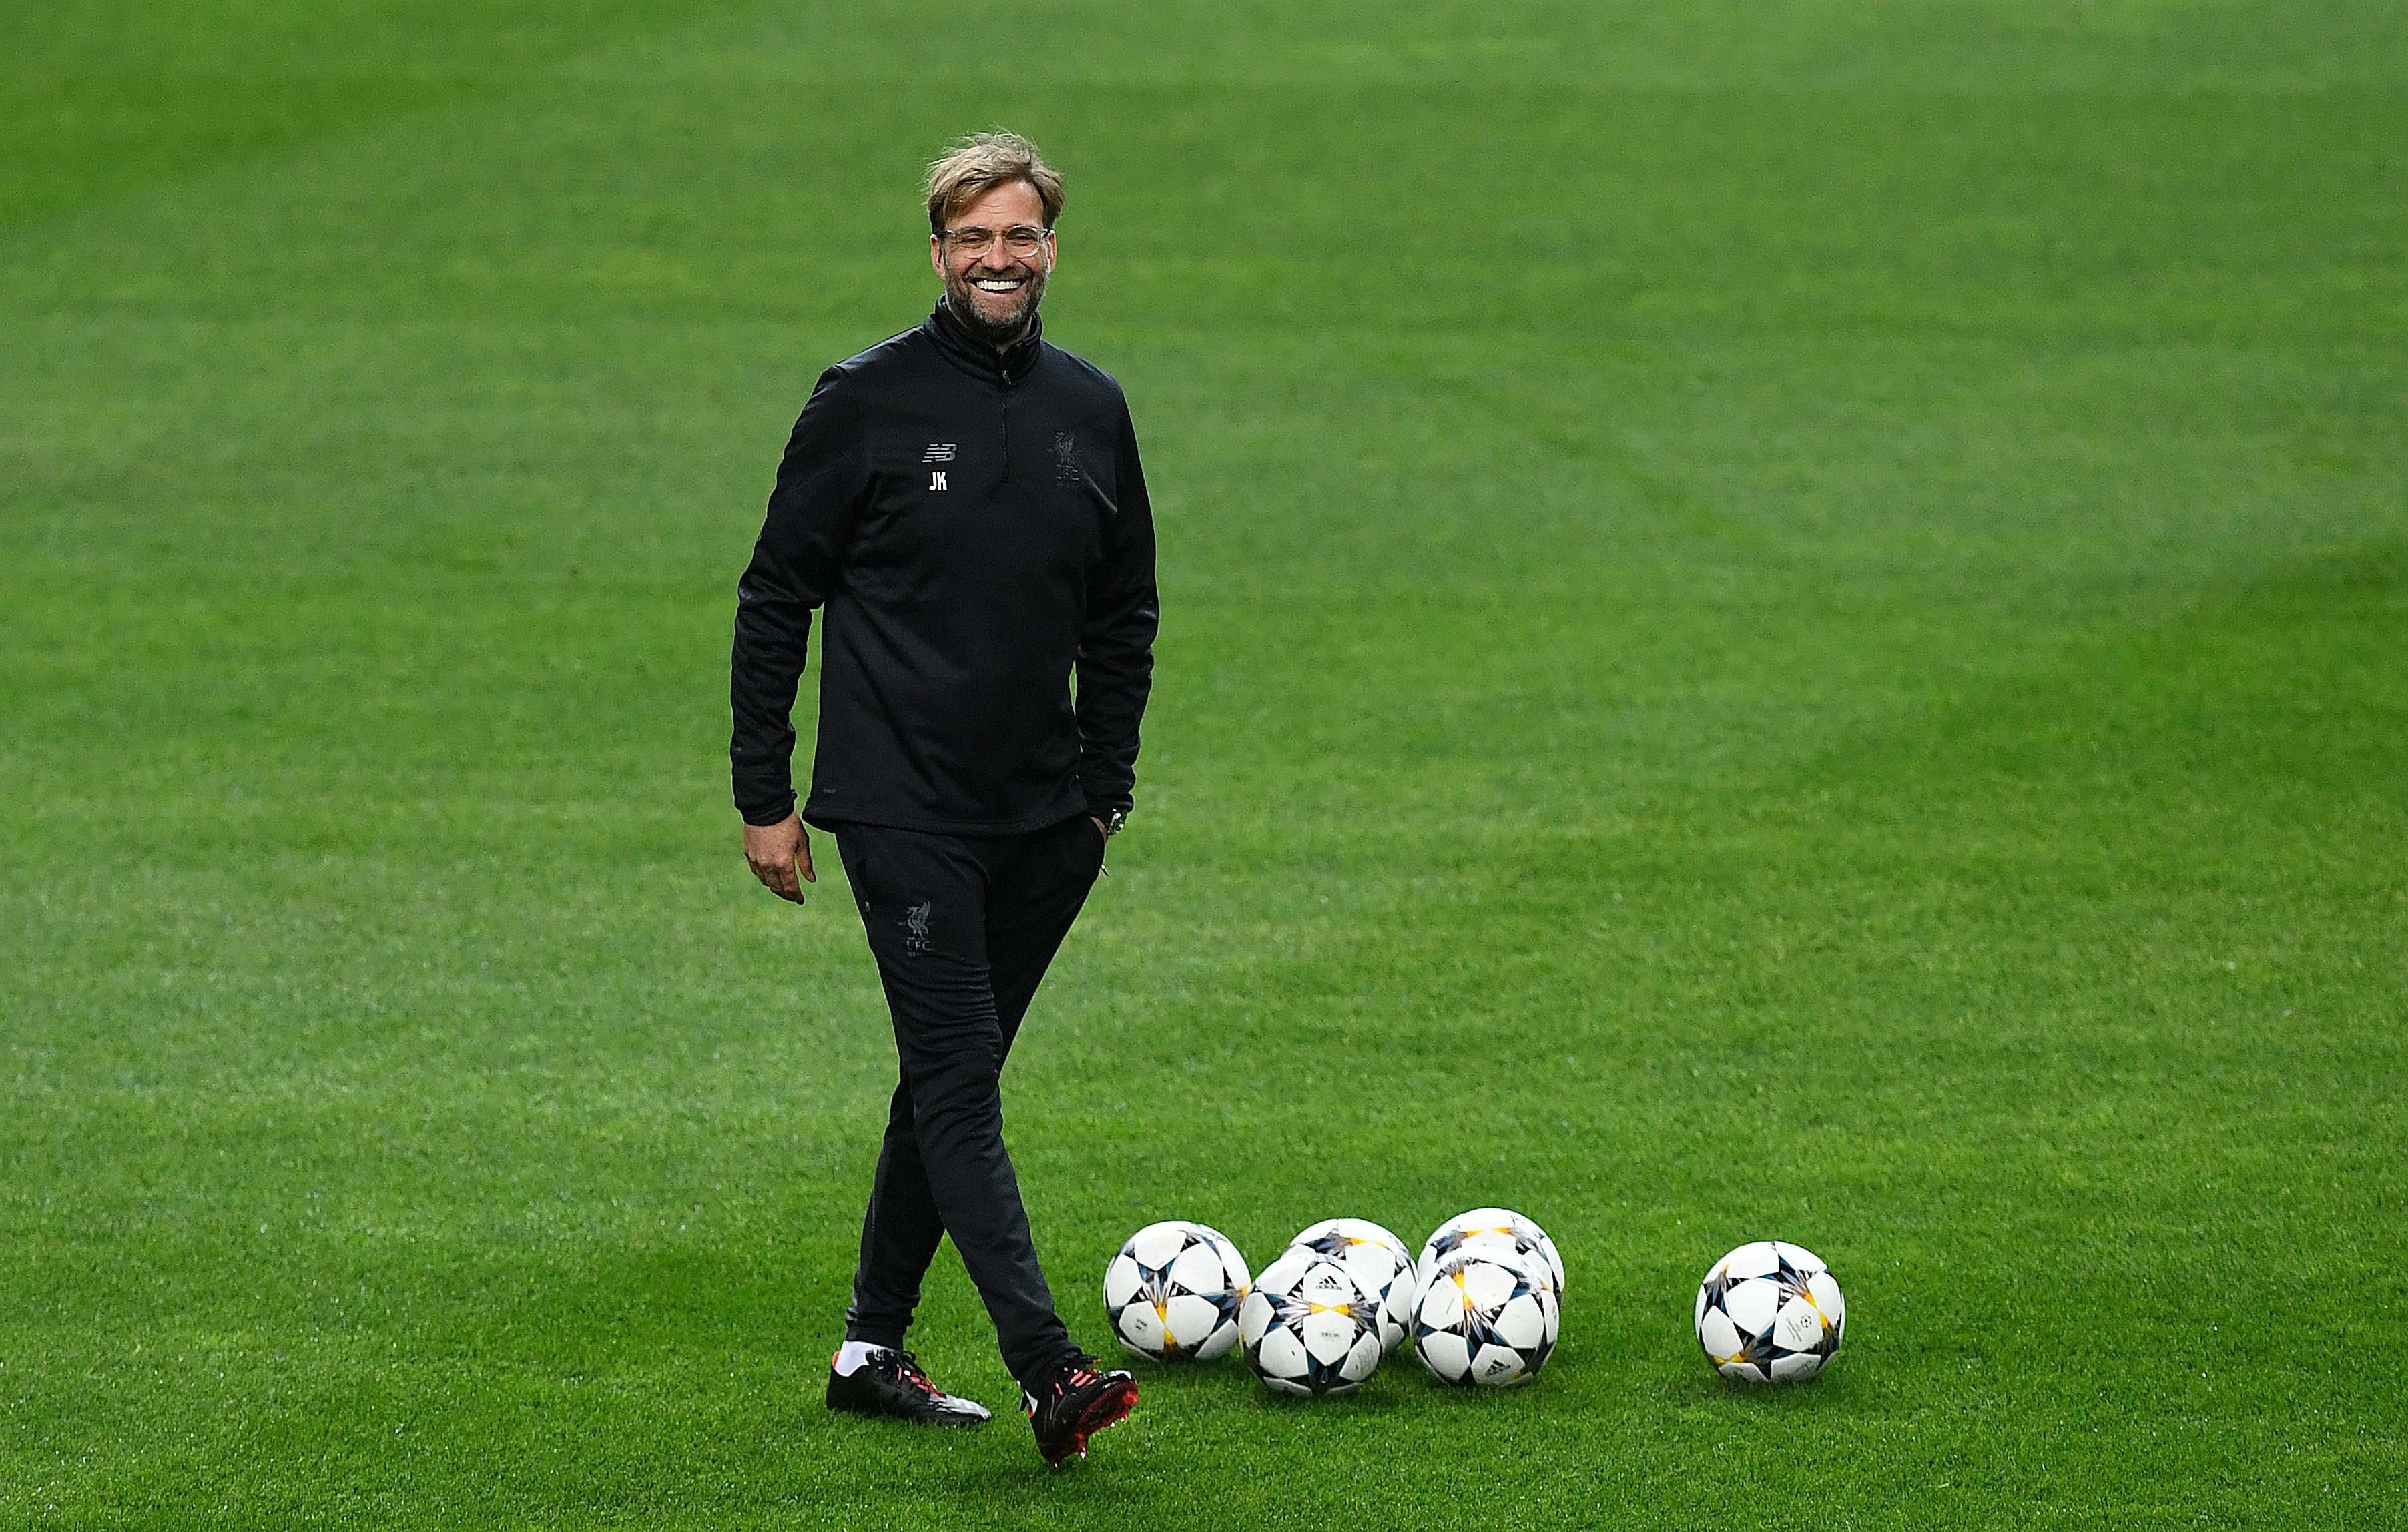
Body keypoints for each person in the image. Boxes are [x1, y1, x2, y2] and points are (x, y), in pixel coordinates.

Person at [728, 131, 1157, 1468]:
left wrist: (1104, 789)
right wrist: (766, 794)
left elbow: (1125, 606)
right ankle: (1050, 1371)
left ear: (1049, 249)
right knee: (963, 1081)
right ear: (936, 250)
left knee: (942, 1076)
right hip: (901, 808)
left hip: (1046, 820)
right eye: (972, 237)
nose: (996, 257)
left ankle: (870, 1347)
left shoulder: (1093, 407)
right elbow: (774, 595)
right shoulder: (861, 402)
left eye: (1019, 235)